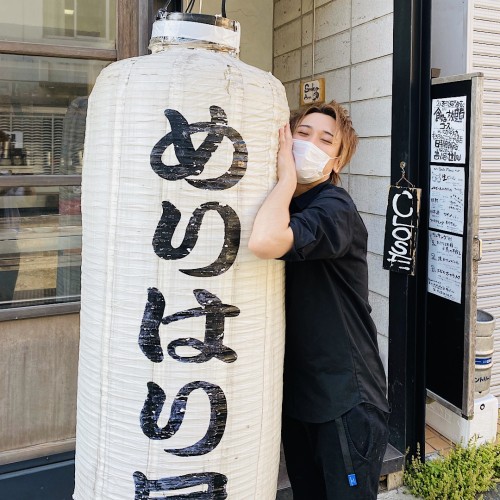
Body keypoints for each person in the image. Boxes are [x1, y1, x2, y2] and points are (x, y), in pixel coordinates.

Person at [248, 101, 390, 500]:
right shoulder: (287, 205)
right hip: (300, 398)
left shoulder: (334, 207)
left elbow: (265, 242)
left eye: (326, 140)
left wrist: (286, 178)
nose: (310, 144)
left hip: (345, 400)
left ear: (337, 161)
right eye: (303, 133)